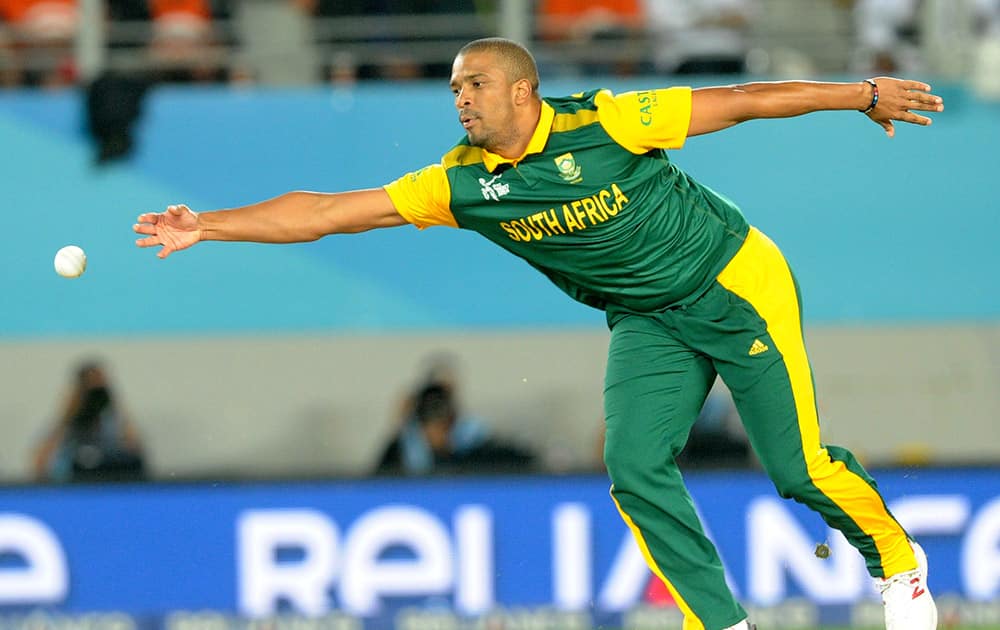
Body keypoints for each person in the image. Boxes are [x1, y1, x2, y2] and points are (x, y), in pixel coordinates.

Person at [133, 37, 943, 630]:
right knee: (631, 465)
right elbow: (324, 213)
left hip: (735, 284)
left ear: (524, 91)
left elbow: (744, 101)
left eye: (475, 84)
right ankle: (721, 623)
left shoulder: (611, 122)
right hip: (647, 320)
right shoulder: (462, 184)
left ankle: (900, 570)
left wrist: (861, 94)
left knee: (798, 470)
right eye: (454, 89)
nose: (461, 100)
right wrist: (207, 225)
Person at [375, 382, 536, 476]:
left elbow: (515, 459)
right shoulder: (400, 451)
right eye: (435, 426)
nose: (441, 432)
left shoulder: (474, 446)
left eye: (446, 424)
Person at [33, 359, 147, 483]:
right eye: (91, 388)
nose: (94, 396)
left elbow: (136, 452)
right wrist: (70, 413)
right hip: (75, 482)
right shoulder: (67, 420)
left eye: (101, 387)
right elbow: (40, 463)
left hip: (109, 480)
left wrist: (116, 407)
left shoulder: (113, 420)